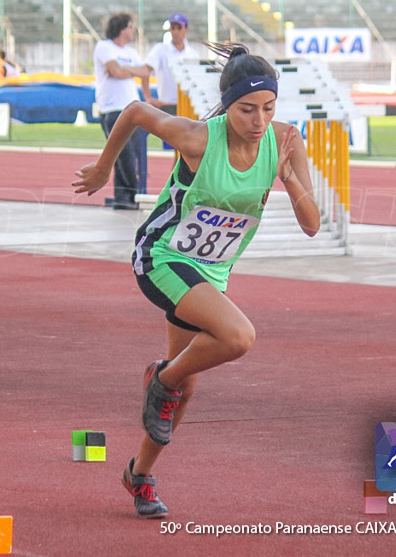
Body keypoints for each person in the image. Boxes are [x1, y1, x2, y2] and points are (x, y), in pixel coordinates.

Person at [73, 42, 320, 519]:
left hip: (211, 271)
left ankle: (138, 474)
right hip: (161, 256)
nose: (259, 121)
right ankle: (158, 377)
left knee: (184, 387)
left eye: (268, 108)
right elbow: (136, 110)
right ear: (227, 106)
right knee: (238, 337)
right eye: (247, 110)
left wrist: (289, 179)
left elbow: (311, 224)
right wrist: (105, 168)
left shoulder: (285, 140)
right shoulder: (198, 139)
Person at [93, 13, 153, 210]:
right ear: (120, 29)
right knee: (123, 155)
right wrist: (130, 71)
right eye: (130, 26)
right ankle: (133, 195)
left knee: (129, 155)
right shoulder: (104, 47)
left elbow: (144, 72)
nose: (133, 30)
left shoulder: (131, 52)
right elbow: (115, 71)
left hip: (132, 109)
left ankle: (123, 198)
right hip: (112, 108)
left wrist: (127, 71)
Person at [145, 13, 203, 163]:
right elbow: (145, 71)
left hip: (187, 106)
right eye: (172, 28)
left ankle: (177, 183)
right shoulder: (160, 50)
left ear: (185, 30)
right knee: (179, 150)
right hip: (167, 106)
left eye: (178, 28)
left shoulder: (192, 53)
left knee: (184, 151)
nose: (175, 31)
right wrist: (148, 98)